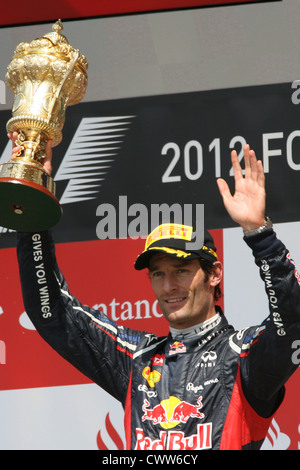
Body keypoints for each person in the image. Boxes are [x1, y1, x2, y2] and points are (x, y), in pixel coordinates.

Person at [10, 132, 300, 450]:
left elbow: (293, 322)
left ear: (214, 274)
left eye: (181, 271)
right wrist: (33, 199)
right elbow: (52, 313)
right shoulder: (136, 359)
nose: (168, 286)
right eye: (158, 274)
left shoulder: (243, 357)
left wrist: (259, 234)